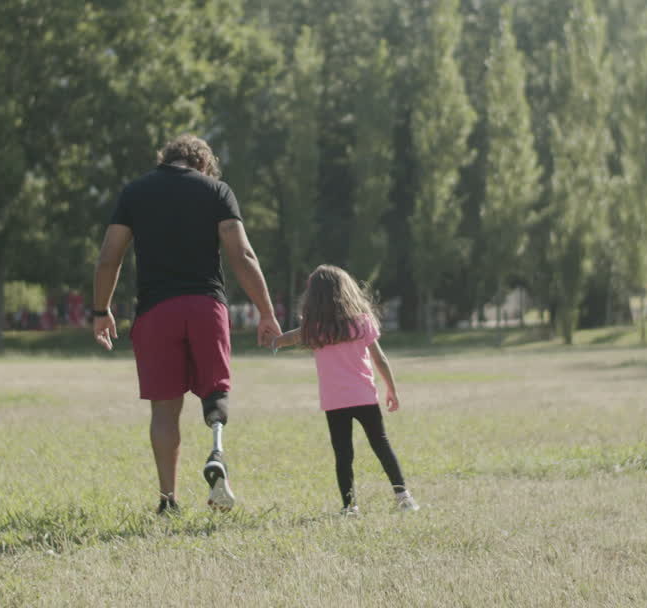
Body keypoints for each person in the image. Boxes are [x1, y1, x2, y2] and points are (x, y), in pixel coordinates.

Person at [91, 135, 282, 514]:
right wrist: (266, 311)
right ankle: (217, 453)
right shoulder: (216, 191)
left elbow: (109, 257)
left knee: (164, 412)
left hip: (155, 312)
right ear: (203, 164)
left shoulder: (135, 193)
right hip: (205, 307)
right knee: (215, 391)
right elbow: (242, 254)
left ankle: (168, 500)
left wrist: (101, 310)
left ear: (166, 159)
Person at [271, 265, 418, 515]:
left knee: (343, 454)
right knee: (381, 446)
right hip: (364, 397)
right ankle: (403, 497)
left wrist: (274, 340)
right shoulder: (362, 322)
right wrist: (392, 390)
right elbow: (380, 359)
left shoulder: (314, 329)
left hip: (335, 401)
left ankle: (350, 507)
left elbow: (289, 338)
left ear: (314, 296)